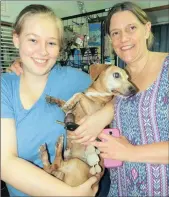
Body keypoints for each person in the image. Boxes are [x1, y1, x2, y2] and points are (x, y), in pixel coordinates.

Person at [6, 2, 169, 197]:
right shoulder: (115, 81)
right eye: (115, 33)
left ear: (147, 28)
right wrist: (22, 64)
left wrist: (128, 149)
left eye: (131, 28)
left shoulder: (164, 70)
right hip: (118, 188)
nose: (123, 38)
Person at [1, 4, 110, 197]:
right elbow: (5, 162)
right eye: (33, 40)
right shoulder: (5, 88)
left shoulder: (74, 79)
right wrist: (70, 194)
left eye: (51, 43)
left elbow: (123, 96)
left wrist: (105, 114)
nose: (42, 51)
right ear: (16, 39)